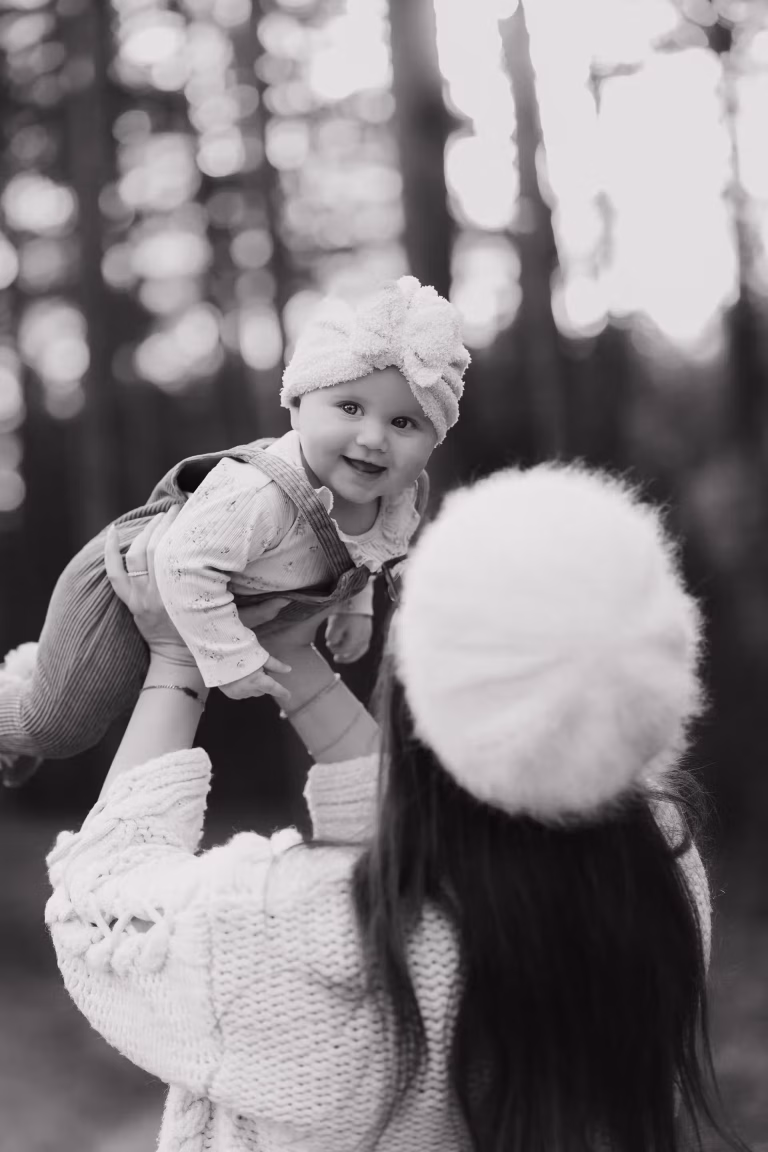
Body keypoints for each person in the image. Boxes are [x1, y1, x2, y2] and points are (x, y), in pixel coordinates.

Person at [46, 463, 740, 1152]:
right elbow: (455, 837)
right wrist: (296, 660)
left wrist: (176, 658)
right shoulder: (659, 868)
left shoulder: (305, 934)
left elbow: (95, 905)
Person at [0, 274, 469, 787]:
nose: (374, 438)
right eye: (350, 408)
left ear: (436, 437)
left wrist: (355, 607)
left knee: (75, 711)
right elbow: (183, 562)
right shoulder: (260, 495)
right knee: (57, 730)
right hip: (132, 580)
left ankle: (34, 680)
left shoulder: (402, 498)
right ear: (296, 406)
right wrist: (233, 659)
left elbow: (369, 553)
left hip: (208, 596)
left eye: (405, 423)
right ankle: (21, 705)